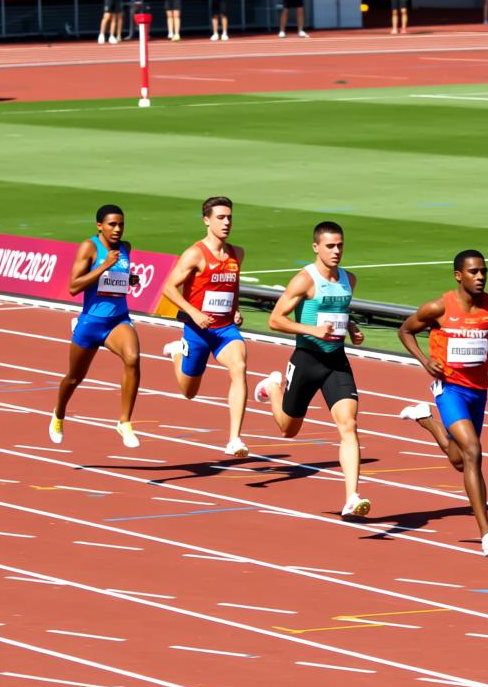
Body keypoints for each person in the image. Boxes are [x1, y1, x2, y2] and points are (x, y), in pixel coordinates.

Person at [397, 251, 488, 556]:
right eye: (473, 272)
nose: (480, 277)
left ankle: (425, 420)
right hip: (450, 390)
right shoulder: (439, 307)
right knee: (473, 451)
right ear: (458, 276)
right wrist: (426, 362)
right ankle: (487, 534)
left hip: (478, 392)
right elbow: (405, 331)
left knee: (458, 459)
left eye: (484, 272)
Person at [252, 221, 371, 519]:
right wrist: (311, 330)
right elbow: (276, 320)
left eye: (340, 245)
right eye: (330, 246)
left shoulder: (348, 279)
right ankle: (273, 387)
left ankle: (352, 497)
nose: (336, 251)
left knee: (349, 425)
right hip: (307, 358)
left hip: (336, 361)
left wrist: (352, 328)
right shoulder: (305, 280)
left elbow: (340, 313)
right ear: (316, 247)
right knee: (288, 429)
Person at [160, 197, 250, 457]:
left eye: (230, 217)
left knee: (240, 366)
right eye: (221, 217)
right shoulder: (195, 254)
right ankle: (178, 352)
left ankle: (234, 439)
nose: (227, 222)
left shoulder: (237, 254)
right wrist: (194, 313)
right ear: (207, 220)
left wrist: (236, 310)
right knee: (189, 392)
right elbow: (168, 288)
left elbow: (231, 286)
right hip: (197, 331)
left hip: (224, 331)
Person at [49, 205, 142, 448]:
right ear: (99, 225)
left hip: (118, 320)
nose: (117, 229)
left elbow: (116, 281)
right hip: (91, 323)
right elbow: (73, 287)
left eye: (121, 224)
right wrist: (103, 266)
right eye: (112, 224)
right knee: (74, 377)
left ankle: (124, 422)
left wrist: (128, 280)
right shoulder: (90, 247)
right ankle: (59, 414)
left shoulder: (125, 248)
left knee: (132, 358)